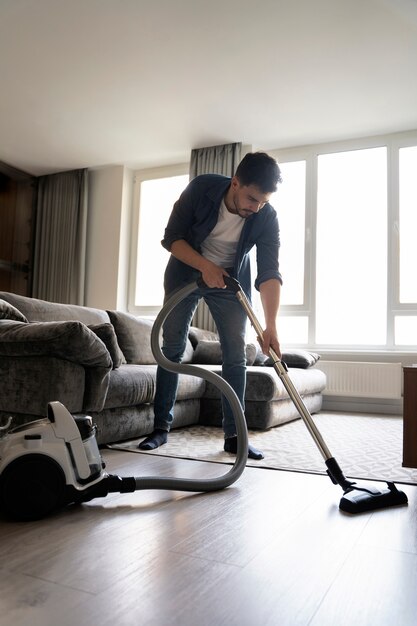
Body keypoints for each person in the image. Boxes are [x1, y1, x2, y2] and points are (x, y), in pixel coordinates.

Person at [138, 152, 283, 459]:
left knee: (235, 354)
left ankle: (234, 436)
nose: (255, 208)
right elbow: (171, 238)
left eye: (263, 202)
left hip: (231, 282)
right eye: (251, 198)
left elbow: (269, 272)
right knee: (172, 349)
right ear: (235, 182)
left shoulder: (266, 216)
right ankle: (160, 429)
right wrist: (205, 266)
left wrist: (270, 325)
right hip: (186, 272)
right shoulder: (201, 188)